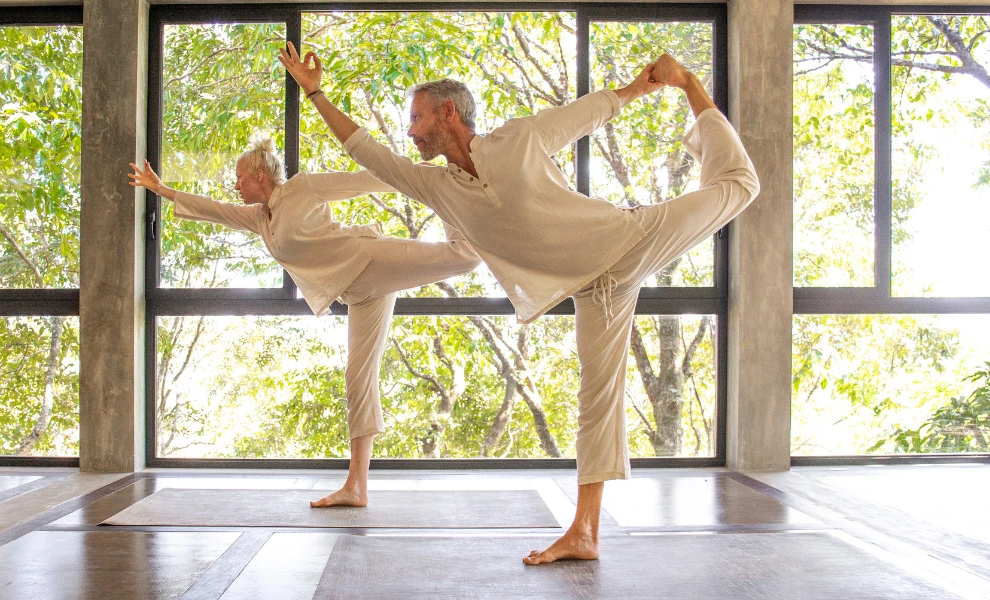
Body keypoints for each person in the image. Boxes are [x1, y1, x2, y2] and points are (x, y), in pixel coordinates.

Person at [280, 42, 759, 563]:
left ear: (449, 112)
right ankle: (585, 533)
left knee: (740, 184)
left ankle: (693, 86)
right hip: (596, 291)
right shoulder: (437, 186)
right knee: (595, 403)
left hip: (630, 238)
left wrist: (649, 86)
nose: (410, 132)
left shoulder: (517, 139)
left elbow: (587, 113)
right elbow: (366, 151)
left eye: (417, 118)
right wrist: (315, 93)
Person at [127, 139, 482, 508]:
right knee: (357, 380)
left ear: (259, 175)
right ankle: (356, 487)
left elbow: (366, 180)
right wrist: (161, 190)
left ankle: (450, 188)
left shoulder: (303, 188)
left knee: (466, 256)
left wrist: (429, 178)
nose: (236, 185)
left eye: (239, 177)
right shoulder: (260, 218)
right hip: (358, 293)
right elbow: (214, 210)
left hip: (369, 259)